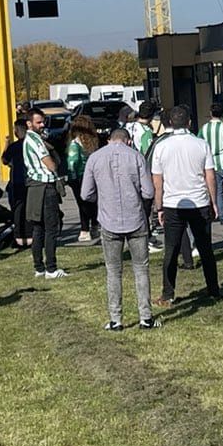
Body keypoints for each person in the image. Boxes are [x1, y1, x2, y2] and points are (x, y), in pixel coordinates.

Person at [83, 123, 156, 330]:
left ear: (109, 140)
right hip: (136, 219)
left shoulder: (95, 158)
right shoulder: (135, 156)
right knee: (141, 268)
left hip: (109, 220)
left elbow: (85, 193)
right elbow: (148, 192)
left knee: (113, 271)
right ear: (129, 140)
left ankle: (116, 319)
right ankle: (146, 317)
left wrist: (102, 198)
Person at [150, 105, 221, 306]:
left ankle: (167, 293)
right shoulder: (200, 144)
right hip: (199, 202)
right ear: (189, 122)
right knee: (206, 249)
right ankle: (213, 289)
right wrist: (213, 201)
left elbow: (158, 180)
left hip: (173, 204)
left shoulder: (161, 146)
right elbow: (210, 175)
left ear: (170, 123)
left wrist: (159, 206)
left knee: (171, 251)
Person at [23, 107, 67, 280]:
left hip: (34, 186)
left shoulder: (31, 139)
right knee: (50, 228)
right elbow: (50, 164)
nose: (42, 125)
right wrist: (54, 162)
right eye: (38, 122)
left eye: (43, 121)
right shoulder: (35, 140)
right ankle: (51, 268)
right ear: (29, 123)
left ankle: (39, 267)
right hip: (44, 185)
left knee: (38, 228)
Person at [66, 114, 101, 243]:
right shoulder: (91, 142)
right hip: (92, 176)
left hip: (79, 177)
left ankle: (84, 230)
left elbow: (72, 161)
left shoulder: (75, 144)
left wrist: (71, 177)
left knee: (82, 204)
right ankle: (95, 225)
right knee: (92, 202)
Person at [202, 102, 223, 234]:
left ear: (211, 113)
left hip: (211, 164)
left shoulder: (204, 128)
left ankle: (221, 215)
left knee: (217, 192)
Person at [1, 117, 30, 248]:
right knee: (30, 209)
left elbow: (4, 160)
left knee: (18, 210)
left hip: (18, 181)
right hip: (30, 181)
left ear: (18, 130)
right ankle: (31, 234)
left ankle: (19, 236)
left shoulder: (14, 146)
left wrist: (6, 143)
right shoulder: (32, 144)